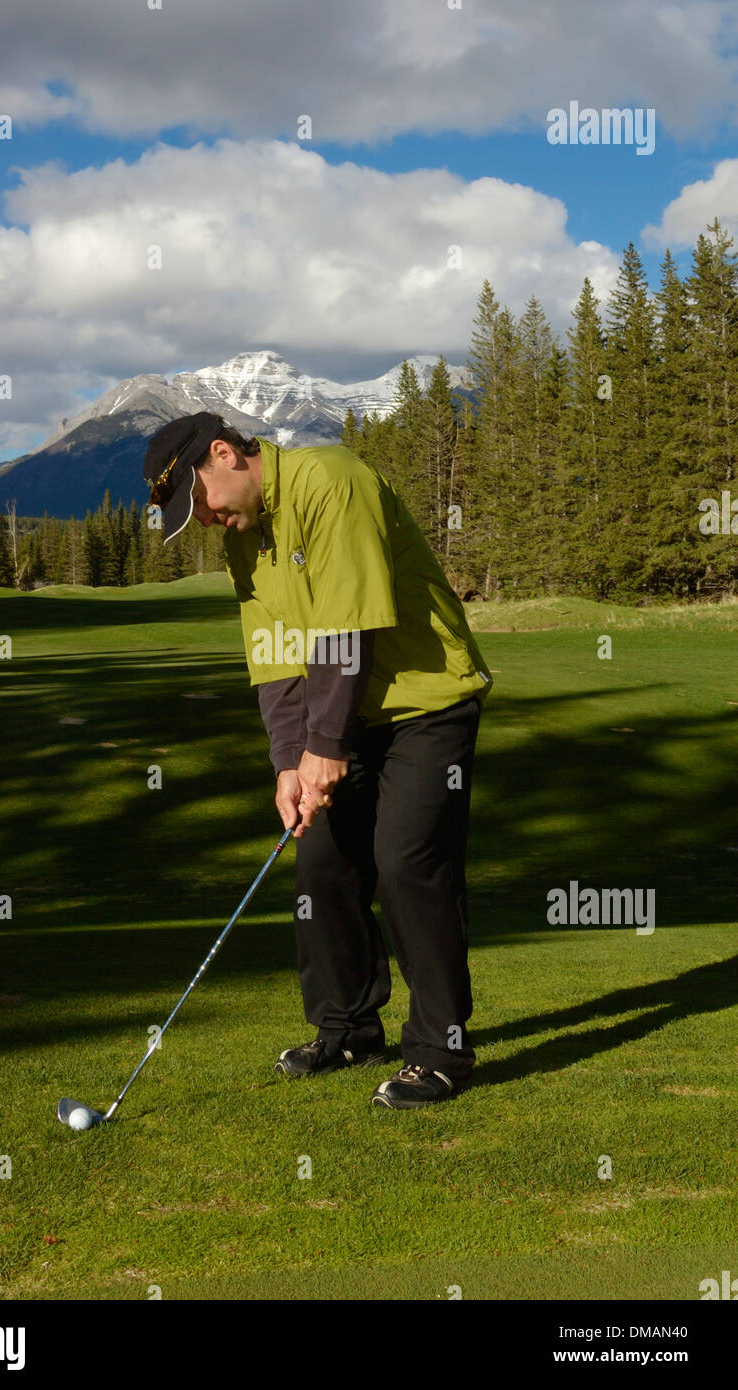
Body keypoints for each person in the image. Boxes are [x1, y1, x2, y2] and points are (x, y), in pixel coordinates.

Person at [144, 409, 493, 1109]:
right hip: (349, 714)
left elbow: (345, 627)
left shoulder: (333, 480)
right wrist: (287, 761)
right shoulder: (246, 535)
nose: (206, 521)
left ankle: (441, 1051)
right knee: (323, 862)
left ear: (225, 455)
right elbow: (273, 657)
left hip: (428, 701)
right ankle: (347, 1027)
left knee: (406, 862)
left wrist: (324, 748)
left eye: (201, 502)